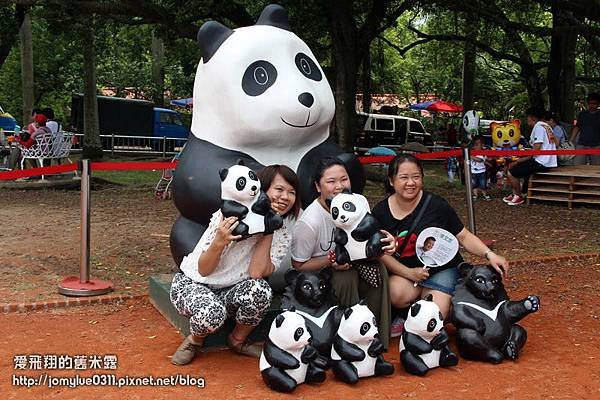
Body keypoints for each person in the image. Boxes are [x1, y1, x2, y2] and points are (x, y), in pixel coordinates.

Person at [169, 165, 301, 366]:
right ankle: (194, 341)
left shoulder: (281, 232)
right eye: (279, 189)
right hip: (193, 284)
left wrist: (268, 228)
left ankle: (238, 340)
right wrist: (220, 241)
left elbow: (256, 273)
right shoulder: (228, 216)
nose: (285, 197)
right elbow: (204, 270)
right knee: (213, 312)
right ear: (261, 189)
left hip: (230, 290)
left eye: (292, 193)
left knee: (261, 290)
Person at [372, 154, 509, 335]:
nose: (410, 183)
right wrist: (409, 273)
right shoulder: (380, 212)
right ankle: (407, 314)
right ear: (391, 180)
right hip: (407, 271)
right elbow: (381, 253)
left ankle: (450, 309)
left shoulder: (436, 205)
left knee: (435, 314)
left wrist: (489, 254)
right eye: (404, 177)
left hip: (441, 269)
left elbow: (464, 236)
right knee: (395, 293)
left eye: (416, 177)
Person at [290, 156, 396, 349]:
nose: (339, 186)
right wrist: (330, 262)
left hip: (357, 262)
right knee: (345, 277)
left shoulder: (359, 201)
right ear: (318, 186)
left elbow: (369, 236)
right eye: (331, 181)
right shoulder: (309, 222)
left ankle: (376, 337)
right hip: (324, 273)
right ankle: (348, 340)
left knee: (378, 269)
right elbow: (298, 265)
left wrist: (386, 243)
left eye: (344, 179)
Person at [503, 107, 557, 206]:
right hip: (548, 160)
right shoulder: (547, 126)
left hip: (542, 161)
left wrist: (519, 160)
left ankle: (518, 196)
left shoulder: (538, 127)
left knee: (511, 172)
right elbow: (555, 143)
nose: (527, 123)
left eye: (528, 120)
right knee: (516, 167)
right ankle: (515, 193)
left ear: (532, 118)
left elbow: (536, 149)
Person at [570, 92, 600, 165]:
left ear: (598, 104)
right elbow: (577, 127)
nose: (592, 105)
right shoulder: (583, 114)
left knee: (596, 168)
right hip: (582, 144)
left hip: (597, 145)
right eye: (590, 103)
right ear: (588, 103)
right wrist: (571, 141)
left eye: (594, 103)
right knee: (577, 165)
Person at [471, 136, 491, 201]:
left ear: (482, 145)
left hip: (482, 171)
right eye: (474, 145)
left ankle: (485, 195)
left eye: (477, 145)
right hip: (473, 172)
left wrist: (470, 156)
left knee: (483, 184)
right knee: (474, 185)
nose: (475, 146)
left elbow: (480, 160)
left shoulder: (483, 153)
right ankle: (475, 195)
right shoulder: (472, 152)